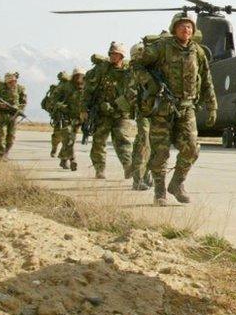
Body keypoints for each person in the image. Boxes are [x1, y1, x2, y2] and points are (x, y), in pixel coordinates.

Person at [131, 13, 216, 206]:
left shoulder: (198, 52)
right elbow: (137, 65)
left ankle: (177, 184)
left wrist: (212, 106)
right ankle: (159, 192)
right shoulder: (161, 48)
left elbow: (207, 79)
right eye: (181, 26)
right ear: (174, 28)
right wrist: (151, 84)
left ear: (193, 31)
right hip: (162, 108)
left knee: (192, 149)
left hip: (187, 108)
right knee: (160, 152)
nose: (185, 30)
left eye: (189, 27)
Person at [84, 42, 134, 179]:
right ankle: (99, 169)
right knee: (99, 141)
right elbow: (88, 90)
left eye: (116, 53)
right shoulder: (102, 69)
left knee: (123, 141)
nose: (113, 56)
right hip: (103, 112)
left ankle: (128, 167)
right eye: (111, 53)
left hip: (122, 113)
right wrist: (84, 108)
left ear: (122, 55)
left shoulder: (130, 70)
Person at [126, 41, 155, 191]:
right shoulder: (134, 71)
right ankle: (137, 179)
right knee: (144, 143)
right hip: (143, 112)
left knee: (151, 144)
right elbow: (130, 93)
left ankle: (146, 175)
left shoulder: (150, 69)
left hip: (154, 111)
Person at [54, 68, 87, 171]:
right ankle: (73, 160)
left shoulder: (87, 87)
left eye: (81, 75)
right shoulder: (65, 86)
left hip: (79, 118)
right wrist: (62, 106)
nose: (79, 78)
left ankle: (63, 160)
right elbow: (54, 100)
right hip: (65, 117)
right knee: (69, 138)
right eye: (77, 75)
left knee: (70, 140)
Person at [0, 72, 27, 158]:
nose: (11, 83)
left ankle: (6, 152)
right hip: (1, 115)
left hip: (13, 115)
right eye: (9, 82)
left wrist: (19, 109)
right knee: (0, 135)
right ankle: (0, 154)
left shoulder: (20, 89)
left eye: (13, 81)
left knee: (11, 136)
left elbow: (23, 102)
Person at [41, 72, 69, 158]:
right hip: (59, 114)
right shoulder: (58, 88)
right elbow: (53, 101)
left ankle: (62, 154)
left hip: (68, 114)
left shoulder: (72, 87)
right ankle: (54, 148)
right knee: (57, 134)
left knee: (68, 136)